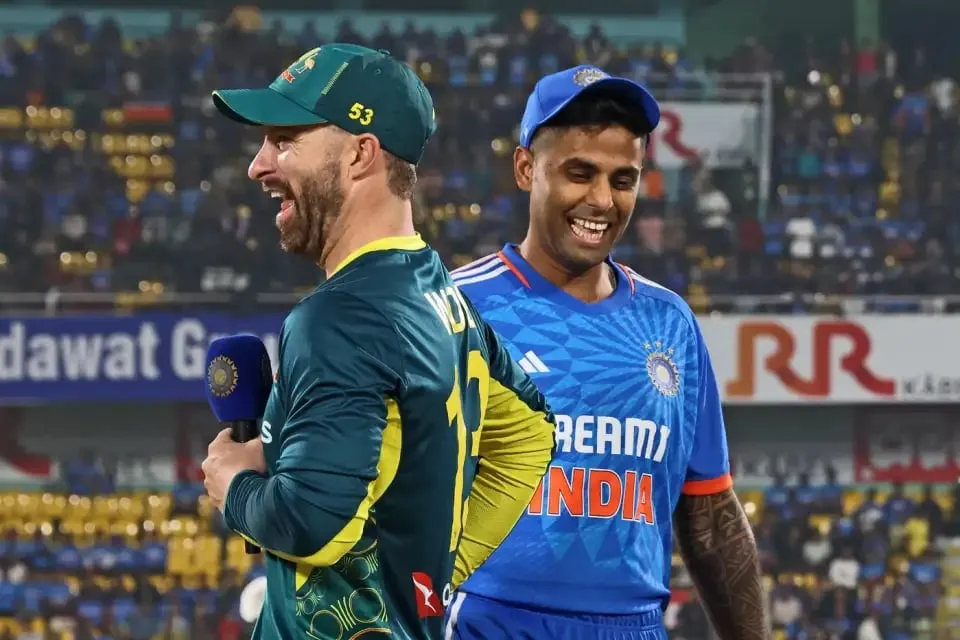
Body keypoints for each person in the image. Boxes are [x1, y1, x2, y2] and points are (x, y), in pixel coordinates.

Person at [200, 43, 556, 640]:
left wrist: (233, 483)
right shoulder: (445, 299)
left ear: (361, 154)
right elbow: (531, 434)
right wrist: (427, 574)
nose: (258, 165)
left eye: (284, 140)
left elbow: (312, 525)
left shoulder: (338, 319)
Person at [449, 65, 770, 639]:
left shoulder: (669, 322)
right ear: (526, 169)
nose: (601, 200)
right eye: (579, 173)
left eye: (623, 179)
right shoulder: (455, 310)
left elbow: (711, 520)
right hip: (489, 622)